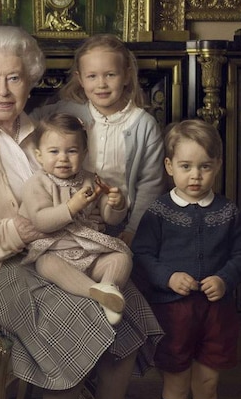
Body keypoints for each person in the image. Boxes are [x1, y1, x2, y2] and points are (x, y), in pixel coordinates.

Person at [0, 25, 163, 399]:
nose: (3, 90)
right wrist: (11, 232)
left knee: (129, 308)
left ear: (30, 82)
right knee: (72, 318)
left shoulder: (43, 134)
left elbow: (74, 205)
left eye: (14, 78)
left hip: (59, 253)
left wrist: (105, 203)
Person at [131, 119, 241, 399]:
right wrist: (168, 277)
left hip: (216, 314)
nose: (195, 175)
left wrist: (225, 279)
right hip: (173, 314)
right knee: (175, 383)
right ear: (169, 166)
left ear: (218, 166)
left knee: (208, 383)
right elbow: (141, 255)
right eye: (186, 166)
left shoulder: (229, 212)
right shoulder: (158, 211)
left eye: (205, 166)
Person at [33, 34, 165, 246]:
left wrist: (133, 229)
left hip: (121, 219)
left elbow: (150, 185)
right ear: (80, 78)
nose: (101, 84)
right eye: (92, 76)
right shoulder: (69, 111)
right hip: (72, 213)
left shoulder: (143, 125)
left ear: (126, 75)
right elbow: (31, 122)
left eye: (110, 75)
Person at [21, 112, 133, 325]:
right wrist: (71, 207)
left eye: (71, 151)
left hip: (90, 252)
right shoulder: (36, 184)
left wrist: (116, 205)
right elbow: (40, 221)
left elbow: (110, 220)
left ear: (84, 153)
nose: (63, 158)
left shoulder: (92, 180)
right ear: (39, 155)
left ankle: (109, 287)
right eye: (54, 151)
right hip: (55, 250)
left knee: (121, 258)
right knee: (45, 264)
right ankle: (96, 293)